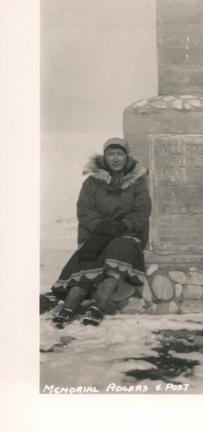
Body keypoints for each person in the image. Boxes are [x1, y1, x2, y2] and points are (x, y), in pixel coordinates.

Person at [51, 137, 151, 328]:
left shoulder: (137, 184)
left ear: (126, 156)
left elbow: (141, 212)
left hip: (124, 233)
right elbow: (84, 211)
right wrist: (101, 226)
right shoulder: (92, 183)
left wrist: (122, 226)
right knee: (90, 257)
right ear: (104, 157)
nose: (115, 159)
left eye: (120, 154)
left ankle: (97, 307)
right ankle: (69, 308)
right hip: (97, 232)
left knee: (118, 253)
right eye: (110, 154)